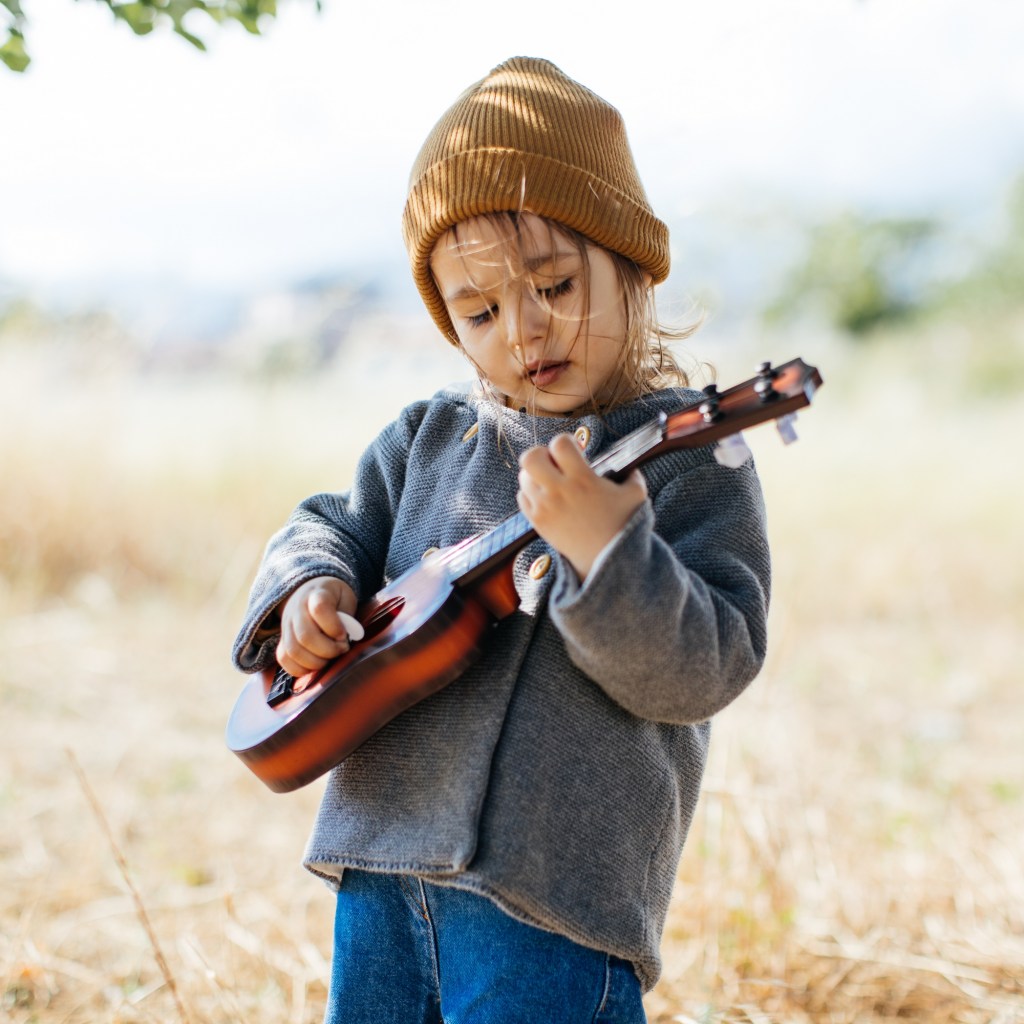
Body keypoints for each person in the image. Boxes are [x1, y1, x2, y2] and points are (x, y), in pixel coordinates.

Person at [232, 56, 771, 1024]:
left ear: (630, 264)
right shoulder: (426, 438)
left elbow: (705, 668)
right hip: (382, 863)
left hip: (555, 893)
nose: (523, 329)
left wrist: (614, 558)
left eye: (555, 284)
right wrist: (307, 593)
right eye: (479, 311)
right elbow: (323, 527)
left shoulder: (691, 460)